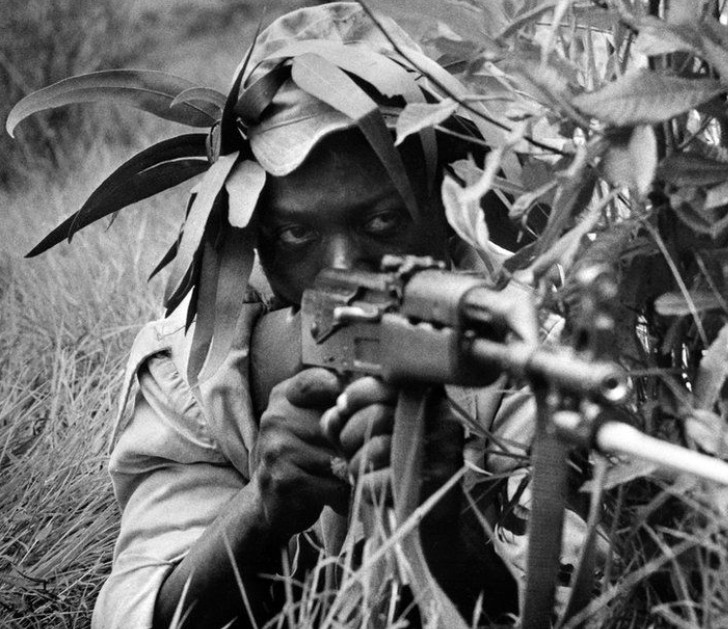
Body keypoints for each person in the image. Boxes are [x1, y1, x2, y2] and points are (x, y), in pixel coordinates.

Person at [59, 5, 599, 628]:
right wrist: (261, 509)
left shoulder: (528, 337)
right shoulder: (201, 367)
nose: (342, 269)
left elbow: (585, 602)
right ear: (253, 236)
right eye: (296, 233)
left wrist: (443, 521)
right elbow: (131, 612)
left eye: (382, 221)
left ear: (448, 205)